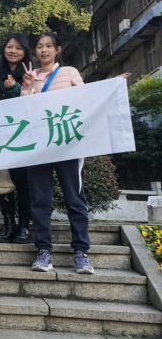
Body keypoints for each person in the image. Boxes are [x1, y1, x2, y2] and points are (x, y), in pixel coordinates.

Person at [22, 32, 133, 274]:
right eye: (39, 46)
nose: (44, 50)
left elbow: (86, 99)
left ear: (58, 49)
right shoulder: (30, 76)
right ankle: (43, 252)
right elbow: (24, 110)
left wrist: (110, 86)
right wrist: (28, 86)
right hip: (40, 148)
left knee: (75, 199)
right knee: (40, 201)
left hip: (69, 146)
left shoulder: (69, 72)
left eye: (49, 46)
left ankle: (81, 252)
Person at [0, 33, 34, 244]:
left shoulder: (31, 73)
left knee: (23, 182)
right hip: (0, 134)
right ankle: (9, 225)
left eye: (18, 48)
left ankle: (24, 226)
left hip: (23, 134)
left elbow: (32, 103)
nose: (13, 51)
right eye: (9, 46)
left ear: (25, 52)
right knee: (3, 181)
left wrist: (14, 89)